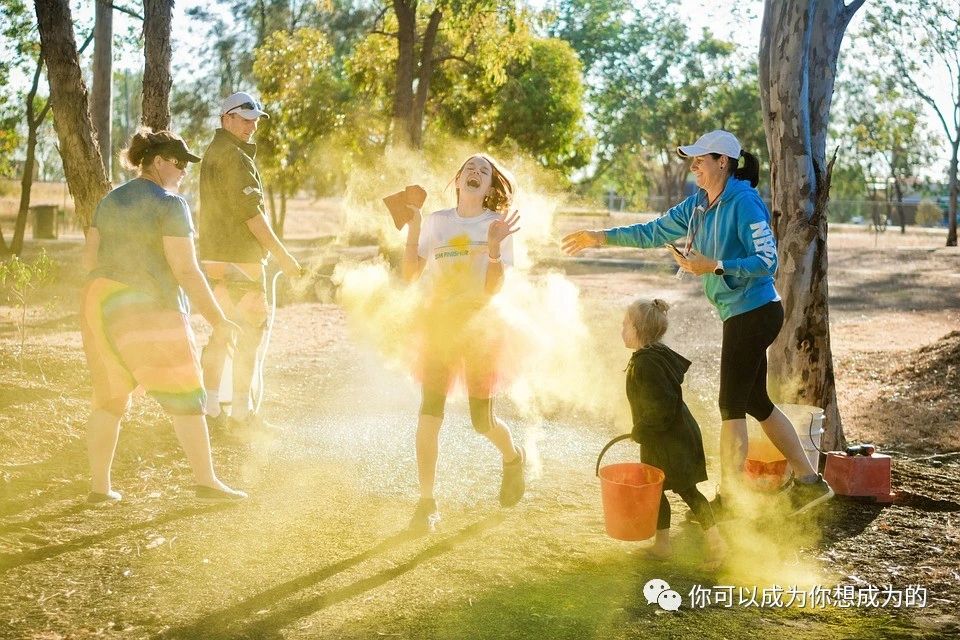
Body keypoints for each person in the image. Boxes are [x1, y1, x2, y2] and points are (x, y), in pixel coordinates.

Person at [562, 130, 833, 516]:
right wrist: (600, 237)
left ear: (723, 162)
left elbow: (767, 262)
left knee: (730, 406)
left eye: (700, 159)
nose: (693, 165)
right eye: (692, 159)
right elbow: (652, 231)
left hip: (755, 312)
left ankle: (730, 500)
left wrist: (715, 266)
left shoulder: (744, 203)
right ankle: (810, 482)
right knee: (756, 402)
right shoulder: (698, 206)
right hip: (740, 314)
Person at [80, 128, 247, 503]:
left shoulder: (109, 201)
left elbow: (89, 259)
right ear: (157, 162)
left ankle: (100, 488)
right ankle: (207, 483)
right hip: (150, 306)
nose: (184, 171)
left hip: (101, 303)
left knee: (109, 398)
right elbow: (186, 271)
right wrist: (219, 319)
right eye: (178, 163)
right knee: (187, 394)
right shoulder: (170, 205)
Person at [401, 154, 525, 532]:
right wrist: (414, 227)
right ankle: (426, 503)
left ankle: (512, 457)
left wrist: (492, 248)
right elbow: (409, 274)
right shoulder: (437, 221)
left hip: (479, 330)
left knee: (480, 420)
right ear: (457, 180)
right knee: (429, 413)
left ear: (489, 188)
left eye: (483, 171)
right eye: (469, 168)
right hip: (439, 327)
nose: (475, 172)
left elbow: (492, 290)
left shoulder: (496, 225)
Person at [197, 91, 302, 434]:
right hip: (239, 261)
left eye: (255, 120)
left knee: (221, 332)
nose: (251, 126)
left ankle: (212, 410)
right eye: (244, 119)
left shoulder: (215, 152)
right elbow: (251, 215)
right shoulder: (234, 157)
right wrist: (285, 257)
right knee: (249, 334)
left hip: (214, 258)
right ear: (226, 119)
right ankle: (240, 414)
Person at [621, 299, 725, 569]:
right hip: (663, 438)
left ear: (638, 330)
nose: (621, 330)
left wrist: (641, 430)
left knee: (688, 491)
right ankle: (662, 545)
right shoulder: (650, 357)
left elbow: (662, 407)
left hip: (673, 440)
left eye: (625, 325)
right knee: (655, 491)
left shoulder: (648, 364)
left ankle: (718, 547)